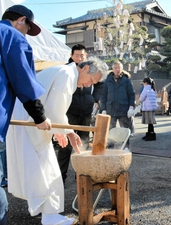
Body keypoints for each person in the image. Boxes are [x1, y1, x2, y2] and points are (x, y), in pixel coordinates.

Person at [6, 56, 108, 225]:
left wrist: (65, 131)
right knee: (46, 170)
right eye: (90, 80)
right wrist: (67, 132)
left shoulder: (64, 72)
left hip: (30, 121)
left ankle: (49, 215)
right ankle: (50, 216)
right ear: (84, 68)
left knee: (45, 170)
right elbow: (55, 107)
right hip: (29, 123)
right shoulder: (67, 74)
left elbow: (53, 108)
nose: (89, 85)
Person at [0, 5, 52, 224]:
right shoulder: (12, 36)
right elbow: (24, 81)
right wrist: (40, 116)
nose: (27, 33)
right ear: (21, 20)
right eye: (28, 28)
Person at [56, 44, 104, 185]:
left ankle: (82, 176)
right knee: (65, 145)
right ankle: (61, 177)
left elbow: (100, 83)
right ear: (71, 56)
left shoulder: (90, 69)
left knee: (83, 143)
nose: (79, 58)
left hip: (86, 110)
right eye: (77, 55)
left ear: (86, 56)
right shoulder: (67, 71)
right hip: (70, 111)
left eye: (82, 55)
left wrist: (94, 98)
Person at [100, 61, 135, 132]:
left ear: (122, 69)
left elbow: (131, 94)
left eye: (119, 68)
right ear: (112, 69)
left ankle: (126, 143)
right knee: (110, 132)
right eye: (115, 68)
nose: (117, 69)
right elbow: (103, 95)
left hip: (124, 110)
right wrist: (103, 109)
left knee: (125, 131)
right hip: (110, 109)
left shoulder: (126, 80)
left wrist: (131, 107)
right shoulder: (107, 81)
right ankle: (110, 143)